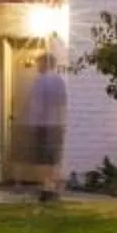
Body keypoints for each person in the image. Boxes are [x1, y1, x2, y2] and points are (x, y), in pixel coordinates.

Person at [16, 51, 70, 198]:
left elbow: (37, 105)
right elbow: (63, 102)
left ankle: (47, 188)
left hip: (43, 125)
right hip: (57, 124)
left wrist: (31, 123)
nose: (37, 66)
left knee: (43, 158)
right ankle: (54, 186)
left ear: (46, 63)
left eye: (39, 63)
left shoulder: (41, 80)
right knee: (53, 158)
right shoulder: (60, 80)